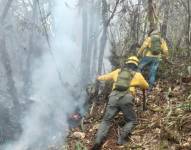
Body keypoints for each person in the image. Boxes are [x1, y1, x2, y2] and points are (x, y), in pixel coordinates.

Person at [91, 56, 149, 150]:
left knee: (106, 120)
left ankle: (98, 141)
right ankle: (121, 139)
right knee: (132, 120)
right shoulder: (137, 75)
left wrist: (98, 77)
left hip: (113, 97)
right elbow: (146, 86)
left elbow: (105, 77)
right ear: (136, 65)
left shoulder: (118, 71)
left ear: (126, 63)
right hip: (126, 99)